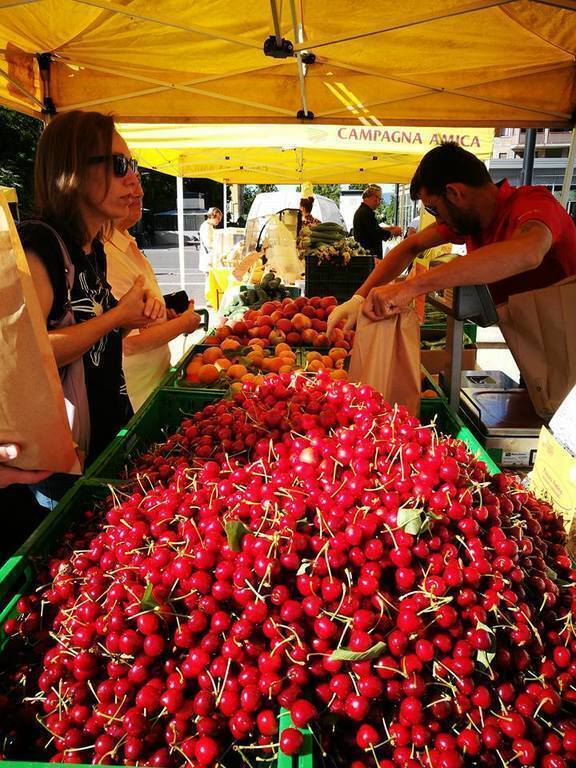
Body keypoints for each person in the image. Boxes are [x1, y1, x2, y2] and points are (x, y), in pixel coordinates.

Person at [19, 110, 162, 508]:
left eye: (131, 165)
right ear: (73, 170)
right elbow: (33, 352)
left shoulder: (92, 247)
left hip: (106, 435)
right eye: (119, 165)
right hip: (64, 461)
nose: (133, 178)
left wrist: (130, 317)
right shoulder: (40, 245)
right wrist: (116, 317)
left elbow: (92, 331)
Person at [328, 142, 576, 333]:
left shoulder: (533, 202)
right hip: (536, 338)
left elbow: (528, 252)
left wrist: (411, 287)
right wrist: (359, 297)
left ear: (455, 193)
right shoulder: (470, 222)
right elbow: (411, 246)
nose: (437, 221)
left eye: (433, 209)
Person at [106, 175, 201, 410]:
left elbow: (135, 321)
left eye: (138, 183)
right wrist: (184, 324)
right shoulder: (107, 256)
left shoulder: (127, 244)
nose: (139, 192)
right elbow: (128, 344)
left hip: (153, 381)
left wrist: (162, 318)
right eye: (128, 186)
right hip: (135, 395)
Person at [352, 185, 403, 259]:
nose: (379, 202)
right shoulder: (365, 212)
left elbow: (374, 229)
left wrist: (389, 228)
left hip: (368, 255)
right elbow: (375, 234)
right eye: (379, 198)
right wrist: (392, 232)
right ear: (372, 196)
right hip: (368, 256)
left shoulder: (365, 211)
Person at [198, 207, 223, 273]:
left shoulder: (209, 226)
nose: (219, 220)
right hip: (208, 260)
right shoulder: (206, 226)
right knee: (209, 281)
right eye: (218, 218)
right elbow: (209, 244)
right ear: (212, 216)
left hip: (209, 259)